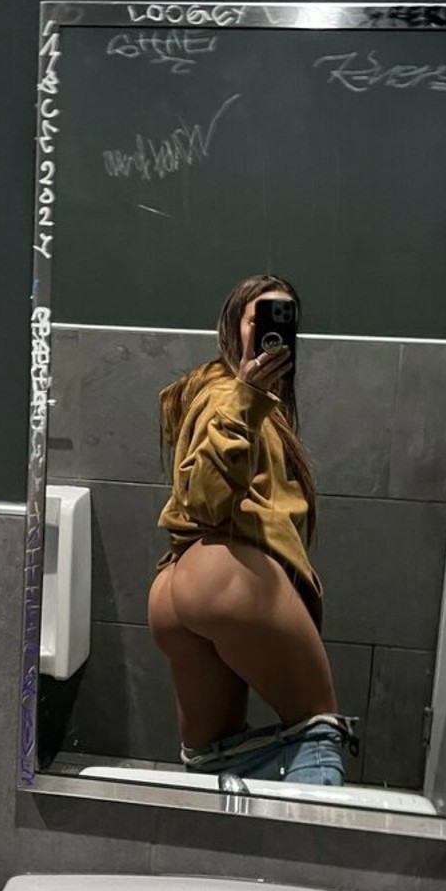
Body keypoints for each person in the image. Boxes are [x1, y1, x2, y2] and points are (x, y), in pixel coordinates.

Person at [147, 275, 355, 785]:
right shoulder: (230, 394)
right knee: (317, 730)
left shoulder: (217, 394)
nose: (273, 331)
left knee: (214, 759)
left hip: (181, 583)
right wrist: (246, 397)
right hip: (228, 575)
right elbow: (205, 499)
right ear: (232, 327)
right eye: (258, 319)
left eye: (286, 320)